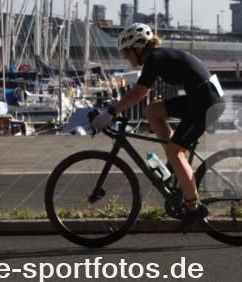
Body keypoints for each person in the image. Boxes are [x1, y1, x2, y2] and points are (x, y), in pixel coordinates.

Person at [92, 23, 225, 224]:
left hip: (206, 103)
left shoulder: (154, 58)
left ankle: (193, 206)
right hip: (201, 97)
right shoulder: (157, 56)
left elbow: (138, 92)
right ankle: (174, 167)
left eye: (126, 53)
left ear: (138, 48)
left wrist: (110, 113)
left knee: (175, 151)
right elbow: (141, 94)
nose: (125, 58)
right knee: (153, 111)